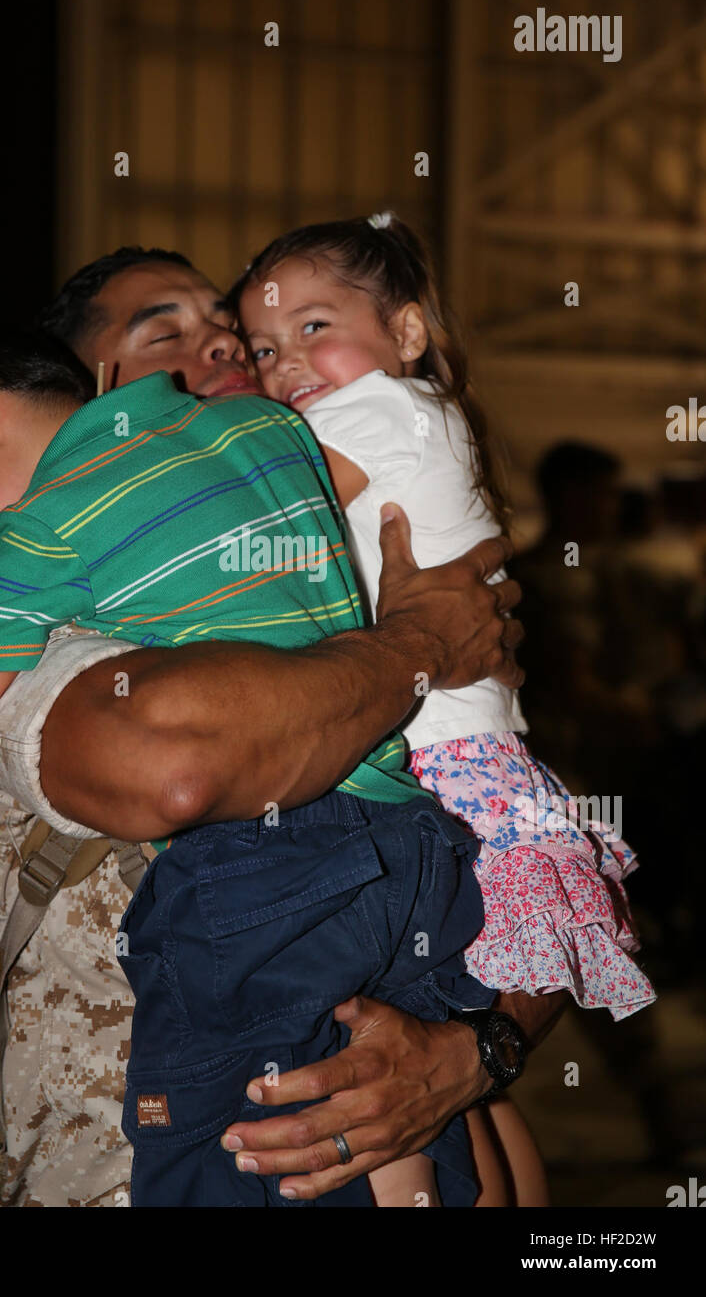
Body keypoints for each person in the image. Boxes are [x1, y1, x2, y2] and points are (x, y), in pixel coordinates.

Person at [0, 248, 549, 1207]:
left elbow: (535, 887)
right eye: (165, 334)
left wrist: (475, 1055)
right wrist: (418, 646)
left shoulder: (328, 572)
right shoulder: (29, 623)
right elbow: (176, 767)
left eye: (231, 327)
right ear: (88, 388)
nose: (225, 343)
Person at [234, 214, 656, 1189]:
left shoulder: (375, 409)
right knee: (432, 1060)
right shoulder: (402, 414)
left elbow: (254, 524)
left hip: (436, 771)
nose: (282, 361)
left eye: (312, 326)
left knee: (381, 1052)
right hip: (455, 763)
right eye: (262, 346)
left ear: (408, 333)